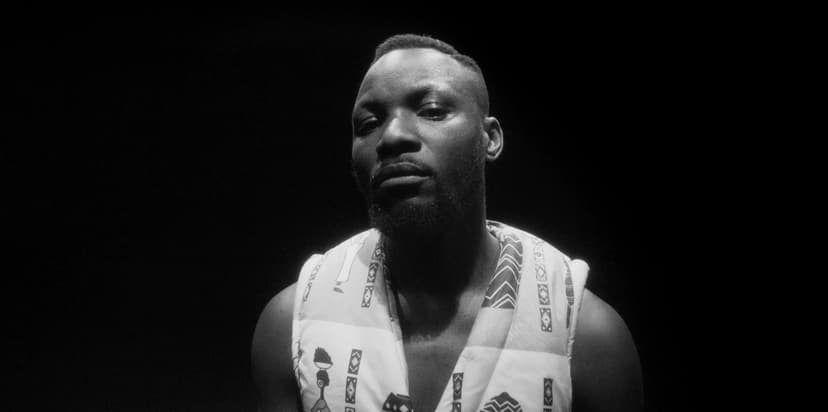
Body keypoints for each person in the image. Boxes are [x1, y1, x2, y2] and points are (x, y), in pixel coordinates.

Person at [252, 34, 643, 412]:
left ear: (490, 138)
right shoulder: (291, 325)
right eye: (369, 123)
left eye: (432, 110)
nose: (391, 136)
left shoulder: (587, 337)